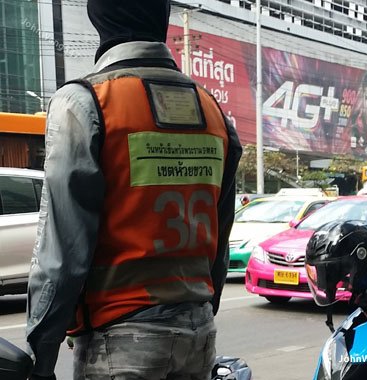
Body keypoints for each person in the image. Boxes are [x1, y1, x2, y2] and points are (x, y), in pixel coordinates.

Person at [25, 1, 242, 379]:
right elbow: (219, 241)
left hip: (122, 341)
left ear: (99, 19)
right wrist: (200, 309)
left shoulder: (85, 102)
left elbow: (61, 252)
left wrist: (40, 355)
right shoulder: (213, 112)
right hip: (199, 332)